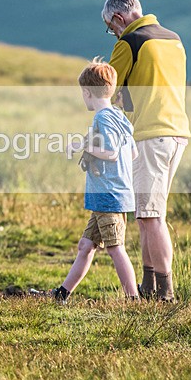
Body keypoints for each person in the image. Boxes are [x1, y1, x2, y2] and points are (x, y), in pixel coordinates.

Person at [102, 0, 191, 302]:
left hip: (151, 135)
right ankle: (149, 286)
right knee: (147, 214)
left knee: (152, 216)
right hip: (177, 132)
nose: (113, 32)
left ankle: (165, 292)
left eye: (111, 27)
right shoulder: (173, 39)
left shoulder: (130, 42)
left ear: (118, 18)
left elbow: (108, 91)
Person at [31, 58, 139, 303]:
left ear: (87, 92)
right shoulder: (121, 118)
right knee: (85, 245)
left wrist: (84, 146)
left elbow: (110, 152)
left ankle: (134, 299)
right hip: (111, 194)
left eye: (83, 93)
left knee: (115, 248)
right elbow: (132, 154)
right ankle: (62, 294)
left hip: (107, 196)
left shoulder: (102, 118)